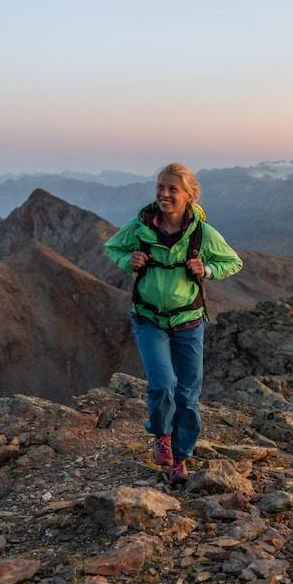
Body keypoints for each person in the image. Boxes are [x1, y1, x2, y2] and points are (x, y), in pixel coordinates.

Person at [104, 162, 243, 484]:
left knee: (187, 394)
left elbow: (233, 262)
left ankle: (180, 458)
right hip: (148, 319)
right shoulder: (140, 227)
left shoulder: (202, 234)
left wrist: (206, 270)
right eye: (160, 188)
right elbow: (113, 247)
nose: (164, 194)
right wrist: (129, 260)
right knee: (163, 384)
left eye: (172, 189)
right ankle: (162, 435)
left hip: (189, 322)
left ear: (189, 195)